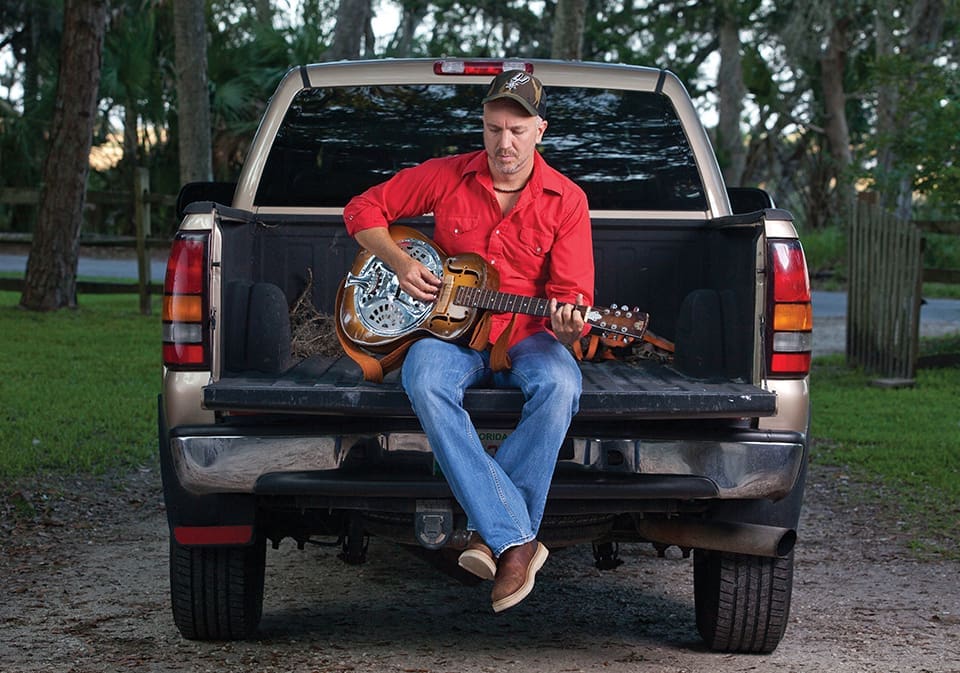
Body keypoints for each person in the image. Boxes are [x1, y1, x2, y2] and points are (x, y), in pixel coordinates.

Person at [343, 70, 594, 612]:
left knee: (560, 383)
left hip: (527, 333)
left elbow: (571, 296)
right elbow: (362, 209)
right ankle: (515, 538)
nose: (504, 143)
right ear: (482, 127)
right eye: (493, 128)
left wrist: (570, 327)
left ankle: (493, 533)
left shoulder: (567, 200)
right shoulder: (447, 175)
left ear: (539, 130)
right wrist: (401, 261)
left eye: (517, 130)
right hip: (448, 330)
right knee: (424, 378)